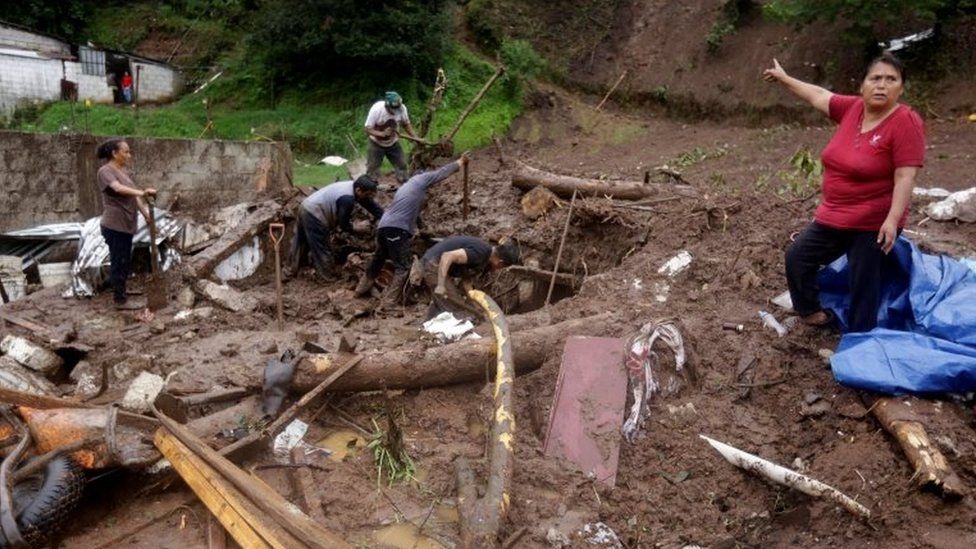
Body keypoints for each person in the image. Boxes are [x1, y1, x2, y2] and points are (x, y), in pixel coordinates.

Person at [763, 53, 925, 332]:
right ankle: (811, 312)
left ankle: (861, 342)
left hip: (873, 221)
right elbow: (818, 95)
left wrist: (892, 219)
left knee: (863, 282)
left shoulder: (905, 122)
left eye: (891, 79)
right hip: (834, 214)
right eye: (875, 78)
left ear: (901, 87)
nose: (882, 85)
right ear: (862, 85)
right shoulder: (853, 109)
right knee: (797, 257)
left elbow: (905, 175)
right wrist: (785, 79)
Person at [355, 153, 469, 304]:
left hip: (384, 226)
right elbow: (440, 174)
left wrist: (423, 230)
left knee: (378, 259)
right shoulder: (420, 180)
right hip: (396, 229)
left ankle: (361, 289)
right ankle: (388, 303)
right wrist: (460, 162)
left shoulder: (407, 189)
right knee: (402, 267)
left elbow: (413, 214)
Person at [95, 139, 156, 309]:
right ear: (115, 153)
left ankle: (114, 286)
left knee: (124, 260)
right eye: (126, 152)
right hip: (114, 224)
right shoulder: (105, 171)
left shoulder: (122, 171)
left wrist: (145, 214)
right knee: (120, 261)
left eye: (129, 152)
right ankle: (119, 300)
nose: (129, 155)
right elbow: (118, 189)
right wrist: (143, 192)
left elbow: (133, 196)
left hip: (126, 223)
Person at [289, 175, 383, 280]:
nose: (369, 197)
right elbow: (343, 224)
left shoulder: (354, 187)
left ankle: (290, 270)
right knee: (321, 246)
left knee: (300, 241)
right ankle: (327, 276)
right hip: (315, 213)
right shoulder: (347, 199)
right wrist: (356, 227)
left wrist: (385, 217)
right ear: (359, 190)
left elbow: (370, 205)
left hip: (306, 206)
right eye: (368, 194)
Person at [421, 235, 522, 318]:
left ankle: (428, 326)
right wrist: (441, 284)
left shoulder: (483, 259)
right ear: (500, 263)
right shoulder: (481, 252)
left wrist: (476, 309)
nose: (497, 270)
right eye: (500, 267)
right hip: (433, 263)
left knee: (453, 299)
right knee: (455, 305)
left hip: (437, 264)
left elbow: (466, 284)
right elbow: (447, 256)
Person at [364, 91, 417, 184]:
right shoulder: (376, 110)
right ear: (387, 106)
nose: (396, 112)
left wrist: (415, 138)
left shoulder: (402, 109)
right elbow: (368, 129)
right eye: (393, 110)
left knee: (402, 165)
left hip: (393, 142)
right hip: (376, 143)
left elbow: (406, 124)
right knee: (373, 168)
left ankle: (404, 184)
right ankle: (371, 188)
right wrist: (381, 134)